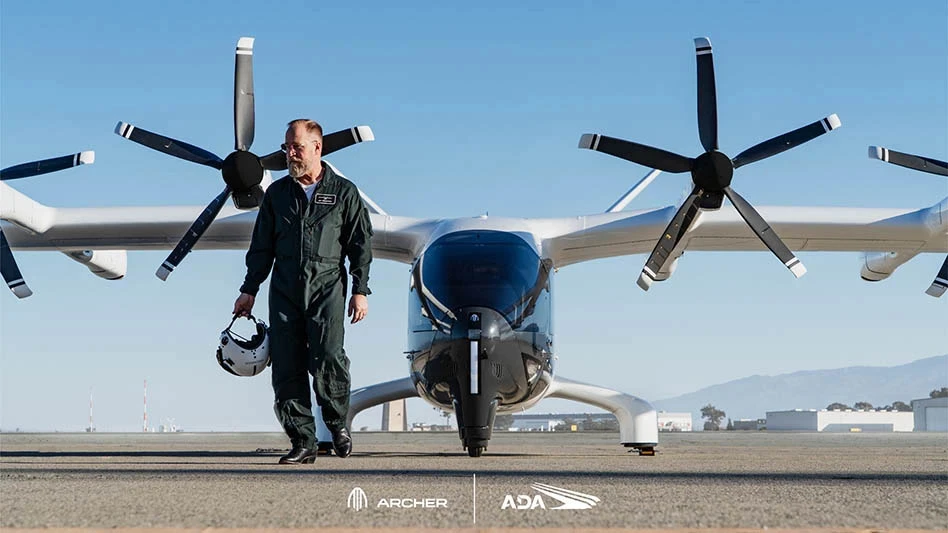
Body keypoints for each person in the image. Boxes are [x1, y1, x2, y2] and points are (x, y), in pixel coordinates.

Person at [233, 119, 373, 464]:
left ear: (316, 148)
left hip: (327, 287)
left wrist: (360, 289)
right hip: (284, 290)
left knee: (328, 357)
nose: (289, 154)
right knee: (286, 365)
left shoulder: (344, 193)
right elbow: (261, 247)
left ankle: (337, 423)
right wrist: (249, 290)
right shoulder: (277, 195)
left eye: (296, 147)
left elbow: (360, 245)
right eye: (286, 147)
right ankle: (303, 442)